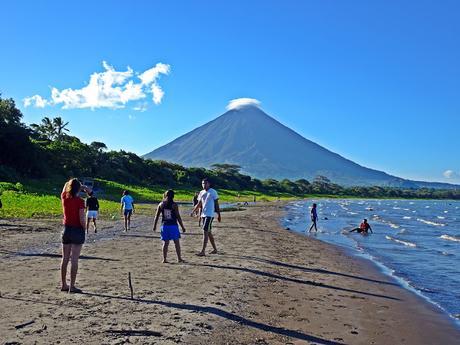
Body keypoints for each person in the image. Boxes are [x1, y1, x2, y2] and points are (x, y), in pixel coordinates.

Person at [60, 178, 91, 293]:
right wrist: (85, 228)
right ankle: (72, 286)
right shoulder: (80, 201)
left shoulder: (64, 198)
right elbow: (82, 218)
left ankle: (64, 284)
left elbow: (65, 186)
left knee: (65, 259)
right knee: (74, 259)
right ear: (79, 189)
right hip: (77, 230)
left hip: (66, 229)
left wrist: (74, 185)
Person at [153, 190, 186, 263]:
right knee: (176, 242)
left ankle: (164, 259)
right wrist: (182, 226)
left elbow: (157, 216)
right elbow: (178, 216)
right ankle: (179, 258)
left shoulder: (161, 204)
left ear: (165, 195)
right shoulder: (174, 205)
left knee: (165, 243)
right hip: (173, 225)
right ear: (173, 196)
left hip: (164, 225)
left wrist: (155, 225)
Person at [191, 178, 221, 256]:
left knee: (205, 231)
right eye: (202, 183)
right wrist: (193, 211)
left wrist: (219, 215)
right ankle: (215, 249)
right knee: (209, 232)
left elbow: (216, 204)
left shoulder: (213, 192)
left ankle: (203, 251)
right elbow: (199, 204)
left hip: (210, 215)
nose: (203, 185)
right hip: (204, 214)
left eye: (205, 183)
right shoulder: (201, 192)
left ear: (209, 184)